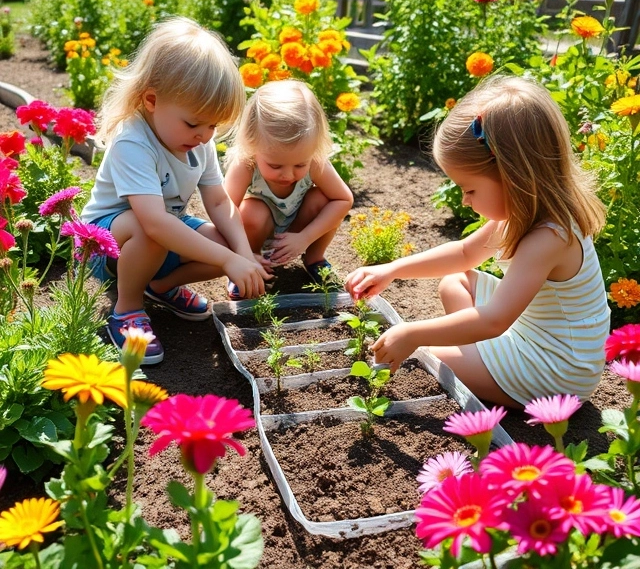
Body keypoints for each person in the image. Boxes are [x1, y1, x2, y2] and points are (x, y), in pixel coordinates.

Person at [345, 75, 610, 408]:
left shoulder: (549, 236)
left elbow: (494, 320)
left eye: (469, 189)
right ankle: (477, 350)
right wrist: (394, 269)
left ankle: (477, 352)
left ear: (513, 178)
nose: (464, 200)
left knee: (425, 358)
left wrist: (413, 333)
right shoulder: (525, 211)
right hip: (526, 332)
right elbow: (465, 253)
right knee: (456, 281)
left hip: (558, 371)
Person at [81, 17, 269, 364]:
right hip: (107, 247)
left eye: (213, 124)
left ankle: (161, 286)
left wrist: (241, 253)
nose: (205, 135)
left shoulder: (198, 142)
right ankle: (127, 308)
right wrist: (228, 261)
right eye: (194, 123)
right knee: (149, 229)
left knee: (230, 239)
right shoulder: (133, 142)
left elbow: (217, 200)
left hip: (161, 236)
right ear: (151, 99)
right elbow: (153, 223)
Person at [224, 79, 353, 299]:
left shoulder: (314, 161)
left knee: (323, 199)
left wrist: (304, 237)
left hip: (299, 229)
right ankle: (249, 265)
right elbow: (224, 210)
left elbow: (344, 200)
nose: (288, 174)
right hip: (257, 235)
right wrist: (240, 253)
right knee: (250, 212)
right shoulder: (246, 163)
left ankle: (315, 259)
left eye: (300, 165)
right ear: (252, 145)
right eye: (275, 165)